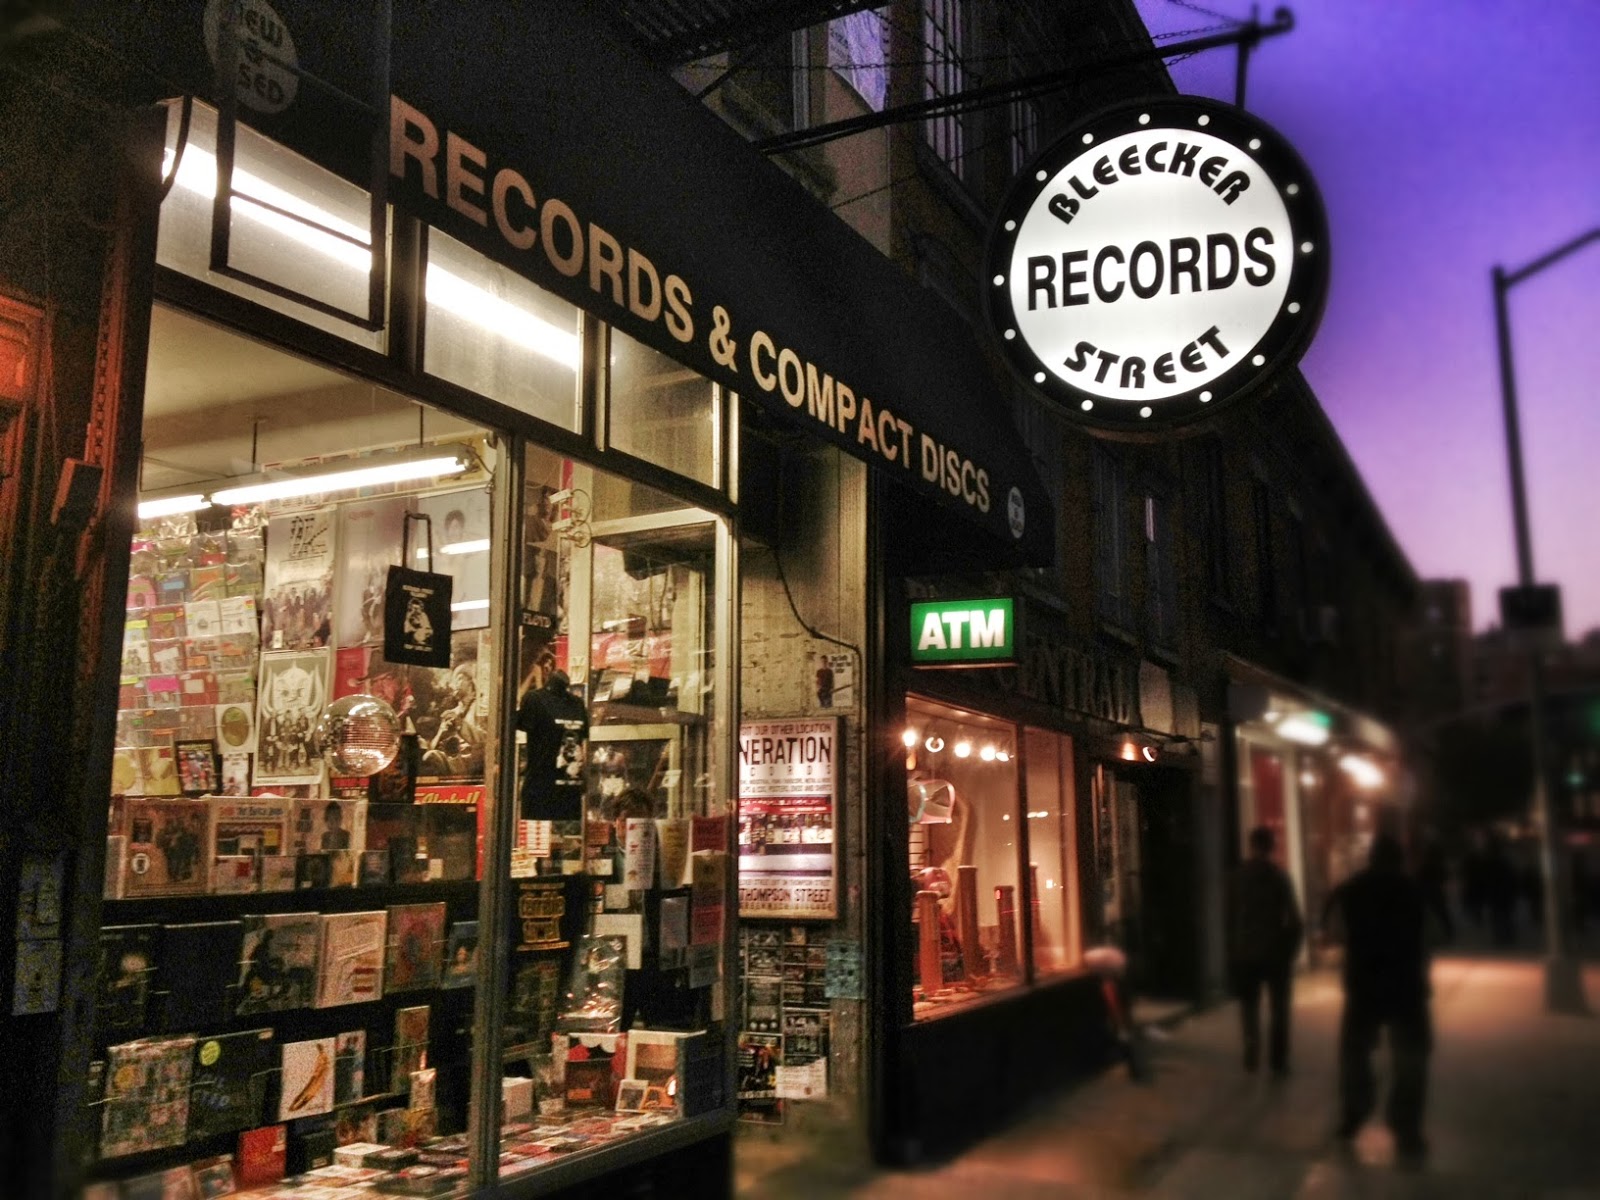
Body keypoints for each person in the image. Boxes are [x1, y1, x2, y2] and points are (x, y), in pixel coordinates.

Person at [1323, 833, 1433, 1163]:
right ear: (1400, 859)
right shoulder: (1415, 891)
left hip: (1363, 985)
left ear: (1370, 857)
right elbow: (1437, 934)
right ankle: (1405, 1123)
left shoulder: (1349, 890)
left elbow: (1333, 932)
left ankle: (1354, 1113)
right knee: (1411, 1058)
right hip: (1406, 986)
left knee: (1355, 1055)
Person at [1225, 825, 1304, 1076]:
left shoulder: (1237, 877)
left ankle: (1251, 1049)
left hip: (1246, 952)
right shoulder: (1279, 877)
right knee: (1279, 1009)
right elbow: (1294, 919)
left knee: (1249, 1006)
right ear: (1272, 847)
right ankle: (1278, 1060)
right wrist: (1291, 949)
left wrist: (1233, 950)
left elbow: (1228, 917)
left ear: (1251, 845)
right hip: (1275, 953)